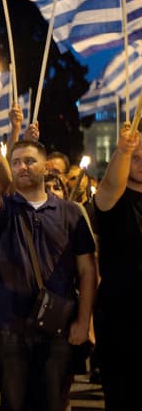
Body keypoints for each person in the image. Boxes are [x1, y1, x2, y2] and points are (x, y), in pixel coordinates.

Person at [0, 140, 97, 411]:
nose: (22, 167)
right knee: (14, 403)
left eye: (29, 161)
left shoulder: (71, 213)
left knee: (53, 402)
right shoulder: (4, 208)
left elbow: (88, 270)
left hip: (58, 327)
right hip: (10, 327)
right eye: (16, 161)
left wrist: (83, 320)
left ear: (46, 167)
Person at [93, 126, 142, 410]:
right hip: (121, 320)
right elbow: (111, 186)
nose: (140, 162)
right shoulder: (111, 202)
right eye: (136, 157)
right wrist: (124, 150)